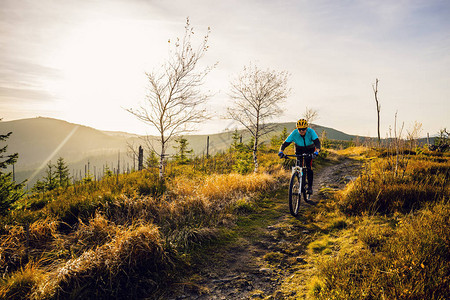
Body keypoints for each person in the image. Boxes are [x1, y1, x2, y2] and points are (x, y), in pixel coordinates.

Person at [278, 118, 321, 195]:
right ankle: (301, 183)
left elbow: (317, 143)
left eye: (303, 129)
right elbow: (285, 144)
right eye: (300, 129)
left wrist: (316, 151)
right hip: (299, 149)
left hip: (310, 149)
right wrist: (281, 151)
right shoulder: (294, 133)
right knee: (298, 166)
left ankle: (310, 187)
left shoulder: (311, 132)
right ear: (297, 129)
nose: (301, 131)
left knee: (308, 167)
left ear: (306, 128)